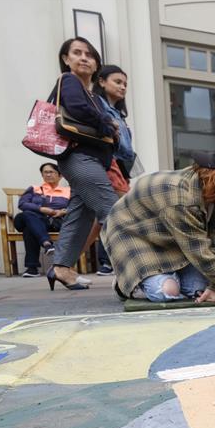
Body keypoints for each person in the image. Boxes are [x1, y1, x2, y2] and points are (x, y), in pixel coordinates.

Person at [102, 149, 215, 303]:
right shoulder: (182, 199)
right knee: (169, 291)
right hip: (132, 233)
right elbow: (202, 256)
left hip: (171, 238)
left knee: (200, 290)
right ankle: (126, 280)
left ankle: (165, 273)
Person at [46, 37, 119, 291]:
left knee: (80, 215)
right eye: (77, 53)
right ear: (66, 59)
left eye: (90, 54)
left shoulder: (94, 95)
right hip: (79, 158)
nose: (84, 58)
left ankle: (61, 268)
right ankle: (135, 271)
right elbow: (76, 109)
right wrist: (107, 124)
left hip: (89, 160)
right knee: (114, 212)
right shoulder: (69, 81)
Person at [92, 64, 136, 276]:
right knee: (121, 212)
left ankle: (61, 265)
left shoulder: (117, 112)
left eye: (125, 84)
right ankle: (119, 261)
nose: (123, 87)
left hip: (119, 165)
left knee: (95, 218)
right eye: (117, 82)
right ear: (101, 81)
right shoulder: (97, 105)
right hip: (107, 163)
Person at [14, 163, 70, 277]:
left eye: (51, 172)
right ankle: (46, 242)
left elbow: (76, 207)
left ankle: (32, 268)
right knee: (28, 214)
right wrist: (41, 209)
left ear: (60, 176)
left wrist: (63, 211)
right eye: (45, 172)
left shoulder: (68, 191)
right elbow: (22, 204)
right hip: (31, 218)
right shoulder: (34, 189)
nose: (48, 174)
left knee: (29, 229)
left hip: (54, 222)